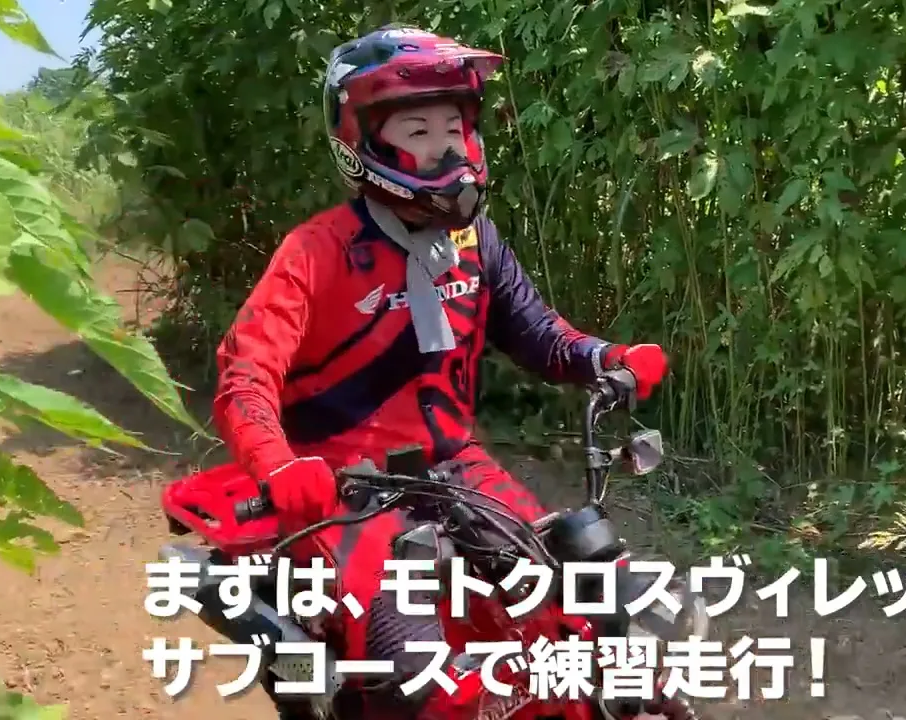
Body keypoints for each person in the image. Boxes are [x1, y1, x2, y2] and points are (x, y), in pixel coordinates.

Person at [212, 23, 669, 720]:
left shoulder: (474, 239)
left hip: (458, 467)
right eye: (420, 130)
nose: (447, 147)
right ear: (363, 141)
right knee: (420, 679)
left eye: (454, 127)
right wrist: (278, 465)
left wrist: (607, 358)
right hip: (345, 487)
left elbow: (538, 332)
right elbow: (246, 374)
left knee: (591, 606)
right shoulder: (317, 251)